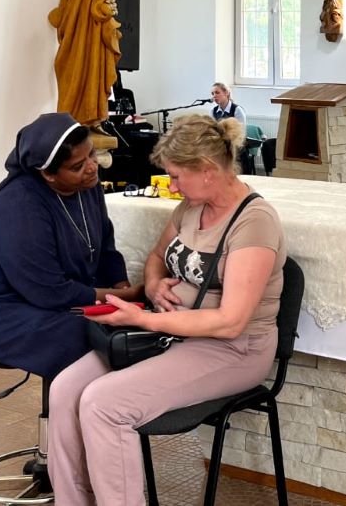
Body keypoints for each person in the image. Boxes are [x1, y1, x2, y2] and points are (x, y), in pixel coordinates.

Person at [49, 114, 286, 506]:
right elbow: (159, 255)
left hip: (234, 349)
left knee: (104, 403)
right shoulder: (191, 208)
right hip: (173, 335)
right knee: (65, 389)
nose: (171, 186)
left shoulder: (255, 223)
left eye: (176, 177)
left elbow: (231, 322)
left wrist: (143, 317)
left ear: (208, 171)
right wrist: (156, 283)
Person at [0, 113, 138, 380]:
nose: (92, 167)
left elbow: (105, 248)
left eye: (91, 154)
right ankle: (84, 416)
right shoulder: (19, 206)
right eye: (78, 166)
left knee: (129, 328)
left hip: (59, 301)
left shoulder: (88, 187)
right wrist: (127, 298)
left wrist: (123, 290)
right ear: (48, 174)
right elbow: (49, 291)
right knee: (98, 338)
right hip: (4, 312)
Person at [48, 0, 122, 129]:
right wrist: (110, 8)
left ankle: (71, 124)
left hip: (71, 45)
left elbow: (59, 18)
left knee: (73, 83)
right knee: (90, 80)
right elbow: (98, 11)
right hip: (90, 45)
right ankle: (91, 120)